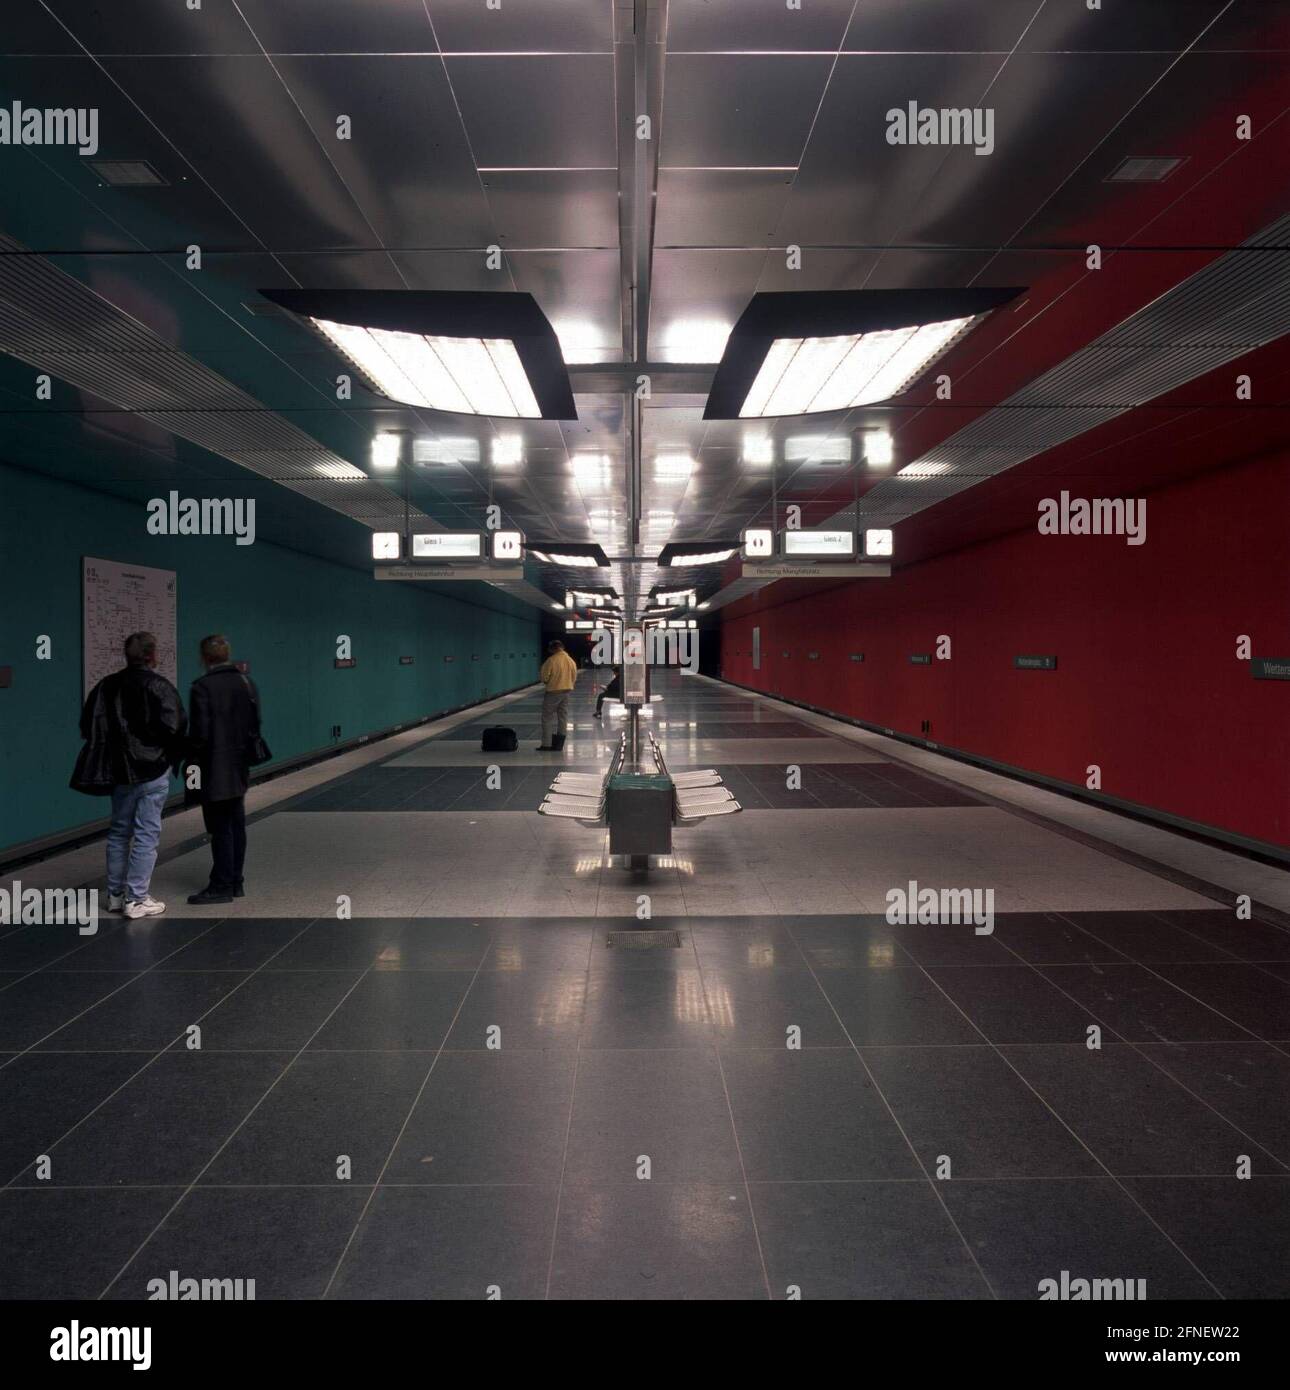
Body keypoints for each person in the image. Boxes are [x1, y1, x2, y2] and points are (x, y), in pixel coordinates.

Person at [77, 632, 187, 919]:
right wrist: (164, 756)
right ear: (152, 656)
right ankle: (137, 898)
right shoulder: (159, 686)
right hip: (152, 770)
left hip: (118, 771)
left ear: (127, 655)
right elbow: (175, 726)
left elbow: (88, 725)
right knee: (147, 833)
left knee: (118, 831)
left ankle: (114, 895)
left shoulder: (105, 686)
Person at [186, 634, 260, 905]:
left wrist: (190, 765)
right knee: (236, 823)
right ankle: (236, 881)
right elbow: (255, 724)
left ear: (204, 658)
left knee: (219, 826)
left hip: (213, 766)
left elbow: (200, 735)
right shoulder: (246, 682)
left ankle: (221, 885)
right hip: (239, 765)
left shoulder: (202, 688)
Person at [537, 638, 578, 751]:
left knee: (547, 717)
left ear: (553, 648)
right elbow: (574, 676)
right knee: (563, 717)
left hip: (553, 692)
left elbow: (544, 677)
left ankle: (546, 744)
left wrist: (549, 682)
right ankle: (559, 744)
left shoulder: (551, 660)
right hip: (566, 692)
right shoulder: (570, 660)